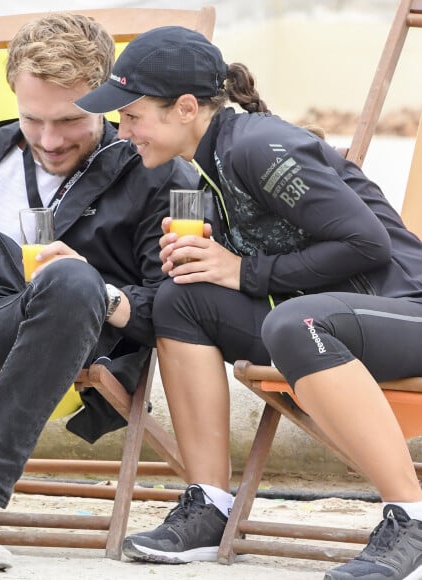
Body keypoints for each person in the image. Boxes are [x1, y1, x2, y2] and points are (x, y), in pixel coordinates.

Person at [76, 25, 422, 580]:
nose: (122, 129)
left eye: (132, 114)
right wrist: (211, 255)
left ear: (185, 108)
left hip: (402, 312)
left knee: (296, 321)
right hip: (328, 326)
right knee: (179, 300)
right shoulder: (202, 168)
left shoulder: (259, 147)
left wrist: (242, 269)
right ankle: (210, 506)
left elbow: (367, 243)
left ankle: (410, 515)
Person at [0, 15, 197, 572]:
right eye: (33, 119)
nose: (50, 141)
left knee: (73, 281)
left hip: (34, 330)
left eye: (71, 119)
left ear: (105, 101)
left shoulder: (154, 172)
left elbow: (175, 307)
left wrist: (95, 289)